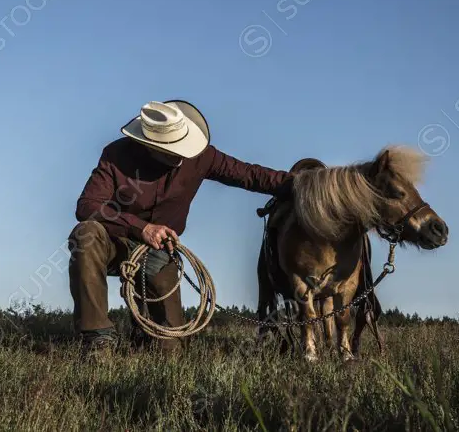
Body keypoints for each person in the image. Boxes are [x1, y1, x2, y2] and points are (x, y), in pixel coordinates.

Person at [68, 100, 295, 354]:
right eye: (170, 150)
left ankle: (143, 331)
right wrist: (140, 227)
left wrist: (304, 183)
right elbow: (87, 205)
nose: (179, 155)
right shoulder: (116, 155)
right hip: (115, 242)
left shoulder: (201, 156)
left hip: (160, 253)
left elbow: (249, 174)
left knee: (171, 350)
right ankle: (98, 338)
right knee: (86, 234)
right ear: (148, 145)